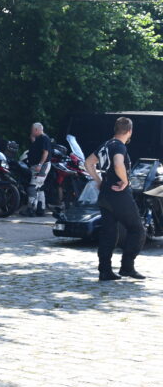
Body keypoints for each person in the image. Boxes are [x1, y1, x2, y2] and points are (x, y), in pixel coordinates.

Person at [84, 117, 146, 281]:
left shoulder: (106, 144)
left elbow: (88, 163)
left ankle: (104, 270)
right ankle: (127, 267)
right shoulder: (119, 146)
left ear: (115, 129)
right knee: (137, 229)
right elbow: (118, 164)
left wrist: (98, 181)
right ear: (129, 131)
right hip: (119, 193)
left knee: (108, 233)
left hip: (105, 194)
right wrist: (125, 181)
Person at [24, 122, 52, 217]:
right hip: (39, 165)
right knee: (39, 187)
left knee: (32, 187)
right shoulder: (40, 139)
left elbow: (45, 153)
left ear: (36, 129)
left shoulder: (44, 138)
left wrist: (40, 164)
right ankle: (40, 209)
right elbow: (37, 149)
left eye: (32, 130)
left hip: (41, 166)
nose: (31, 131)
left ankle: (31, 209)